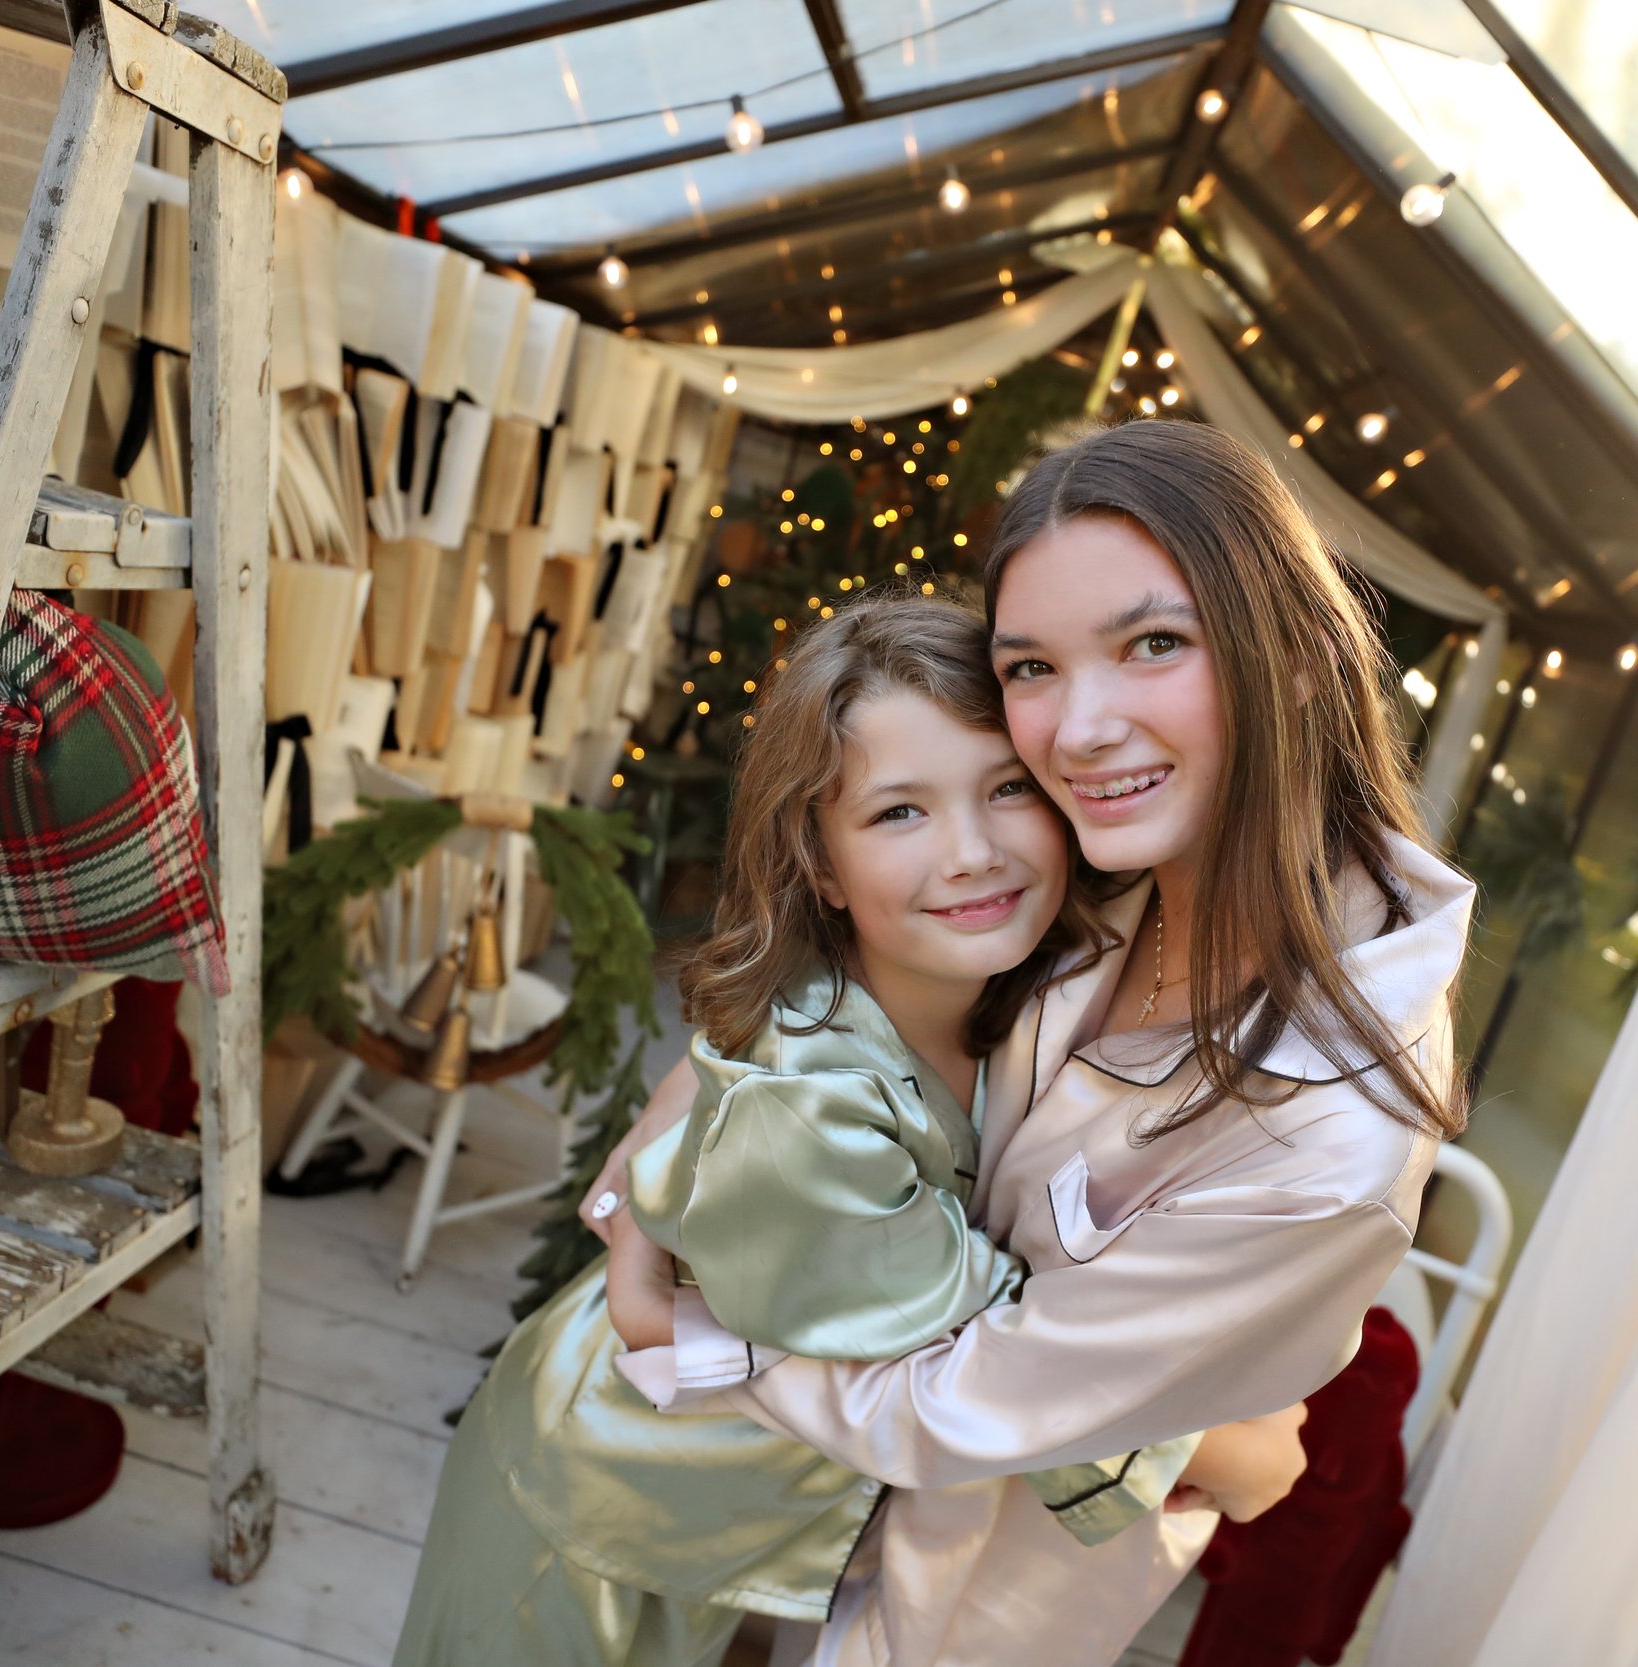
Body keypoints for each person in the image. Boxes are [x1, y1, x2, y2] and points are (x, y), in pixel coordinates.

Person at [607, 418, 1472, 1666]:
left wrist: (679, 1327)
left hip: (966, 1600)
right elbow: (835, 978)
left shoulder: (1330, 1132)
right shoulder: (1092, 858)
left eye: (1154, 643)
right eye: (1031, 668)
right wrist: (670, 1144)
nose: (1077, 728)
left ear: (1293, 653)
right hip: (750, 1517)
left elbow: (958, 1402)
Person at [392, 598, 1287, 1667]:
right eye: (898, 812)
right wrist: (1228, 1451)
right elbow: (982, 1348)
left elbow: (714, 1062)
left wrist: (640, 1176)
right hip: (597, 1504)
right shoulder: (816, 1104)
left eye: (1007, 788)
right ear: (816, 862)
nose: (971, 852)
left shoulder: (1019, 984)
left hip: (757, 1507)